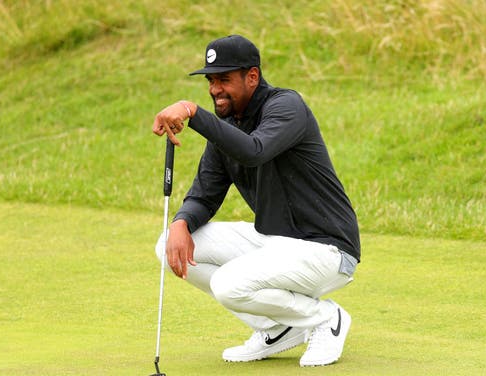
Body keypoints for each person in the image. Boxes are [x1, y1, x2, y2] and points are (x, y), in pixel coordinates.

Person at [151, 35, 361, 367]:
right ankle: (277, 327)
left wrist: (193, 112)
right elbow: (205, 194)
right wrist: (181, 222)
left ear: (252, 76)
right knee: (169, 245)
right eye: (211, 80)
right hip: (276, 241)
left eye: (224, 79)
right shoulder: (227, 126)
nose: (215, 89)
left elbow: (254, 151)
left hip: (327, 249)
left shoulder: (286, 107)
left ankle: (324, 318)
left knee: (227, 284)